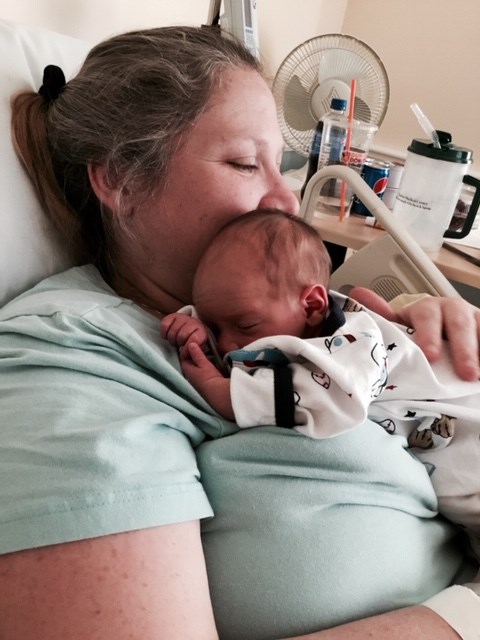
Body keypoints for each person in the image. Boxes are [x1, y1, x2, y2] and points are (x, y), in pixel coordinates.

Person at [0, 24, 480, 640]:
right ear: (120, 179)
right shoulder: (70, 368)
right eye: (245, 163)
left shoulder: (283, 306)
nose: (285, 200)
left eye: (281, 166)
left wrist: (435, 337)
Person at [161, 208, 480, 562]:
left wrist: (221, 392)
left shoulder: (356, 342)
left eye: (245, 325)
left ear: (312, 305)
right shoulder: (280, 323)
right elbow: (242, 341)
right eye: (214, 327)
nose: (227, 346)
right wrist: (195, 329)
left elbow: (331, 400)